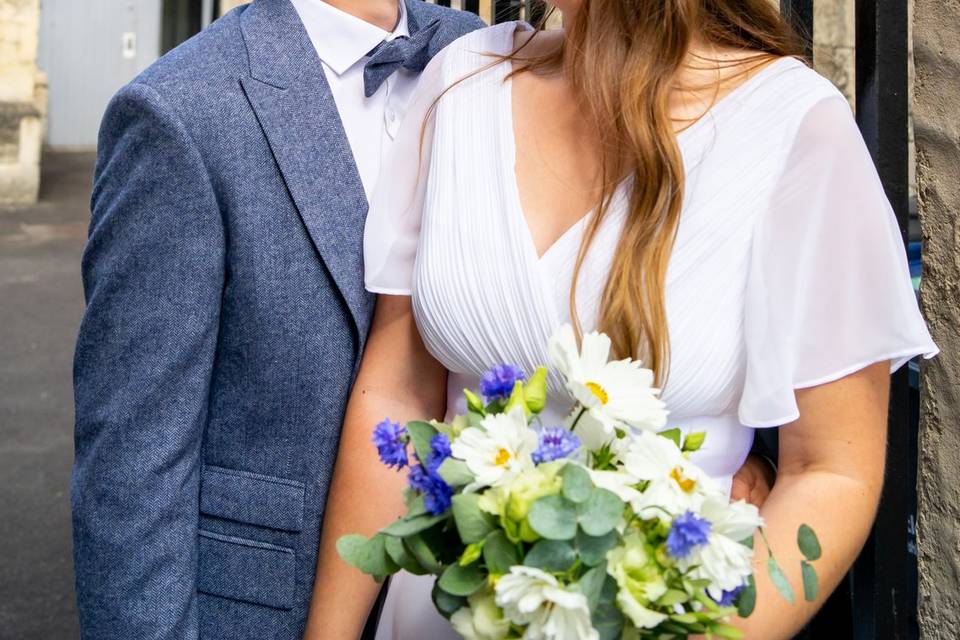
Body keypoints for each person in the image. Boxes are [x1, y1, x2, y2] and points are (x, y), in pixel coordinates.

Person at [305, 1, 938, 638]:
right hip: (437, 616)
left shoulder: (795, 126)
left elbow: (831, 471)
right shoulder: (463, 81)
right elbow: (397, 392)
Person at [71, 1, 484, 638]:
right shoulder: (180, 110)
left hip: (473, 595)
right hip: (269, 605)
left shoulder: (485, 59)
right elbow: (132, 462)